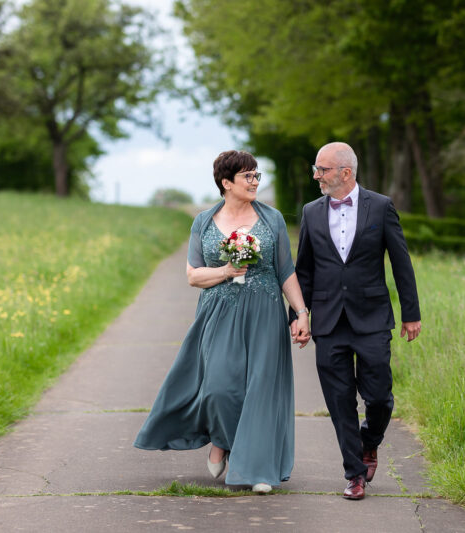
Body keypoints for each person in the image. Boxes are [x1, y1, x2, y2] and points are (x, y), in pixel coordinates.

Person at [134, 150, 311, 494]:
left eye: (257, 175)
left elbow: (286, 271)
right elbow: (192, 275)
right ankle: (220, 440)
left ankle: (257, 470)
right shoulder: (203, 222)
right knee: (218, 389)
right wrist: (226, 271)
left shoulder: (272, 218)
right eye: (247, 176)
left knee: (260, 391)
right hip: (218, 314)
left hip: (264, 313)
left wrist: (301, 313)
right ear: (226, 182)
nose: (254, 182)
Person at [292, 141, 421, 500]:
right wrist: (298, 316)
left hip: (372, 318)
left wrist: (411, 313)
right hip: (329, 320)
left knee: (379, 397)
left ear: (345, 172)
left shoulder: (380, 206)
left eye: (322, 169)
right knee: (339, 400)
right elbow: (304, 270)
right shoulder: (311, 211)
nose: (316, 175)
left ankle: (370, 442)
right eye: (316, 169)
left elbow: (401, 262)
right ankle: (355, 474)